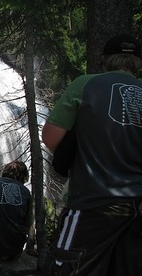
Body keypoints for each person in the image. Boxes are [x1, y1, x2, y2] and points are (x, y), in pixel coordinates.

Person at [42, 34, 142, 275]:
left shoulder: (85, 84)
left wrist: (78, 153)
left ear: (104, 60)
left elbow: (50, 137)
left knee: (67, 269)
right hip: (137, 207)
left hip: (92, 204)